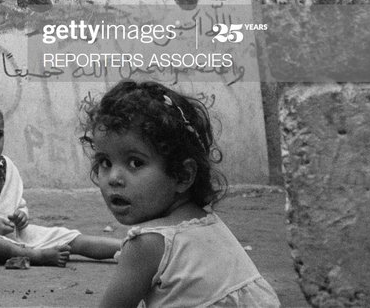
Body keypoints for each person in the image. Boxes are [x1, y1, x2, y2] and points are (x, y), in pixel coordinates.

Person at [83, 81, 280, 308]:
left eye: (135, 162)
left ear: (182, 176)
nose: (113, 177)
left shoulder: (145, 245)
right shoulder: (204, 221)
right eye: (105, 162)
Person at [0, 99, 120, 266]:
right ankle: (36, 256)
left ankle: (127, 246)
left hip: (11, 235)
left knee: (68, 237)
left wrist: (21, 216)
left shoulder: (6, 165)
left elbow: (18, 205)